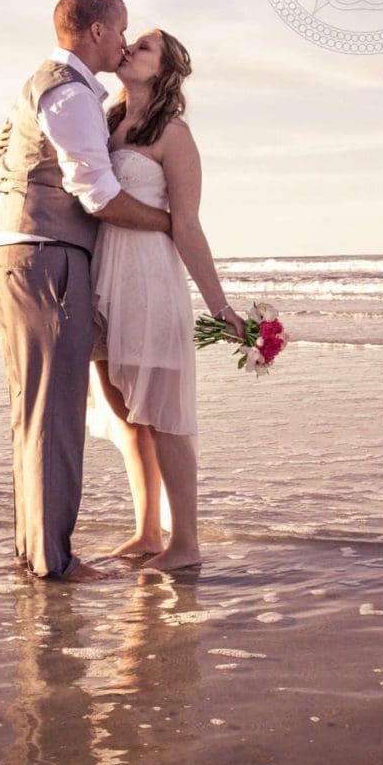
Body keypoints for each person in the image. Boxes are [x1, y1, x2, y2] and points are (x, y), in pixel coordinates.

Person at [0, 0, 172, 581]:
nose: (123, 41)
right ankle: (54, 563)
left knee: (34, 409)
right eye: (121, 31)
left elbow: (1, 160)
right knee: (55, 413)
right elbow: (97, 194)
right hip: (49, 259)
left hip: (23, 252)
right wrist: (168, 224)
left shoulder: (41, 84)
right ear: (97, 31)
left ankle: (33, 551)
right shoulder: (70, 94)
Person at [89, 29, 244, 572]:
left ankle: (186, 543)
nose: (129, 49)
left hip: (149, 282)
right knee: (126, 414)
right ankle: (147, 531)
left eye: (145, 48)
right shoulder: (103, 124)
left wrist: (220, 306)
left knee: (165, 415)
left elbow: (188, 226)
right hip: (101, 279)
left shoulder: (173, 135)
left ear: (165, 69)